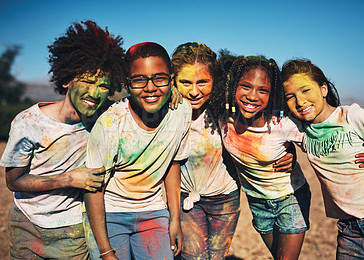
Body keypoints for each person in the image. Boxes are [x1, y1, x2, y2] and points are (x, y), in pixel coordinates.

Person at [0, 20, 127, 259]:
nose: (94, 92)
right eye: (88, 81)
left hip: (74, 231)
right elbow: (13, 181)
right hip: (27, 226)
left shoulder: (103, 118)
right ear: (67, 79)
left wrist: (173, 94)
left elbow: (142, 103)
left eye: (103, 86)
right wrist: (70, 179)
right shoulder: (28, 122)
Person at [171, 43, 295, 260]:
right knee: (192, 257)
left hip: (225, 200)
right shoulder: (166, 113)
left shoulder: (223, 110)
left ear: (215, 82)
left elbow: (262, 134)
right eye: (185, 82)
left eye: (202, 82)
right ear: (173, 80)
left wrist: (289, 151)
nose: (194, 91)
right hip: (186, 199)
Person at [281, 59, 364, 259]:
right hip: (348, 230)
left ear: (324, 89)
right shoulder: (300, 132)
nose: (300, 101)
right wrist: (289, 153)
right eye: (290, 96)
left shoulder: (353, 116)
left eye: (306, 90)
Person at [83, 42, 191, 260]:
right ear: (127, 83)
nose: (150, 87)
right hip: (109, 214)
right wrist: (105, 252)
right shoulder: (110, 124)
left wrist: (174, 219)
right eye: (139, 80)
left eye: (159, 78)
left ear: (171, 79)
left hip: (153, 211)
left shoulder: (181, 112)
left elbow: (172, 163)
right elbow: (93, 189)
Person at [208, 55, 311, 260]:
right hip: (257, 202)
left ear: (272, 95)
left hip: (291, 198)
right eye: (246, 86)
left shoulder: (282, 125)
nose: (252, 96)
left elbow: (323, 144)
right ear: (231, 86)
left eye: (262, 90)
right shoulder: (222, 119)